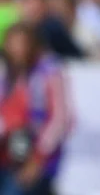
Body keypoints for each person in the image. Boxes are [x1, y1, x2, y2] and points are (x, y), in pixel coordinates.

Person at [0, 22, 70, 195]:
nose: (18, 50)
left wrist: (38, 158)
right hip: (6, 153)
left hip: (35, 156)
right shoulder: (6, 74)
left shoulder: (49, 73)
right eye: (13, 44)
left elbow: (60, 119)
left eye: (23, 44)